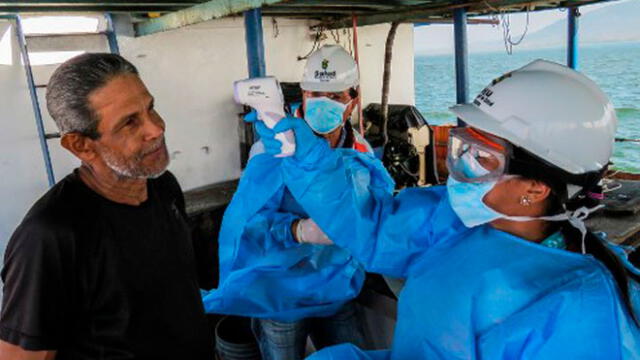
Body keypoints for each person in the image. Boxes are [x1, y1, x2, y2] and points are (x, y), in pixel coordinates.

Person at [256, 59, 640, 359]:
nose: (463, 166)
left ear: (537, 188)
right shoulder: (453, 219)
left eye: (483, 157)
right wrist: (305, 157)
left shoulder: (578, 306)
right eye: (464, 146)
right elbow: (372, 225)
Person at [0, 53, 214, 360]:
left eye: (150, 108)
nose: (156, 129)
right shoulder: (50, 237)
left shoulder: (163, 187)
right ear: (81, 146)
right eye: (130, 122)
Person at [202, 45, 391, 360]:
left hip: (337, 286)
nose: (323, 104)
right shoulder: (272, 149)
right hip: (281, 293)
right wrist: (297, 230)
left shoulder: (361, 152)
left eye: (335, 96)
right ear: (302, 94)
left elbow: (375, 210)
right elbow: (247, 222)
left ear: (353, 99)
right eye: (314, 94)